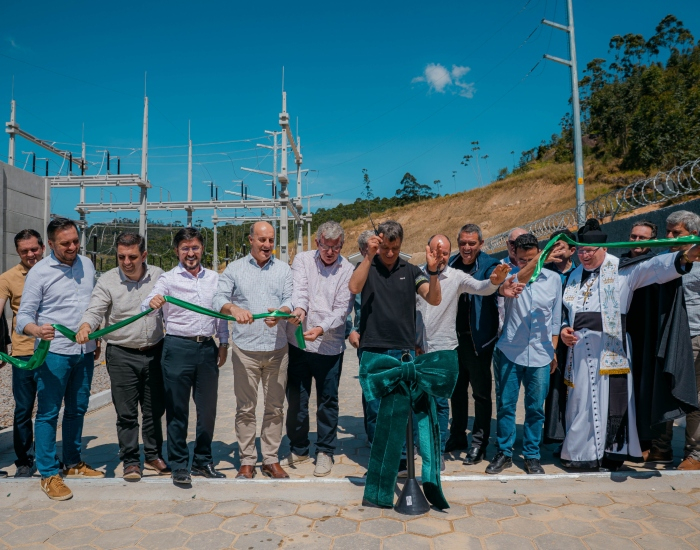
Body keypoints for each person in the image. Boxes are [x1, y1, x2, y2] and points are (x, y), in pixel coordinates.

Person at [559, 218, 700, 471]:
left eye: (590, 251)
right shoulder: (574, 275)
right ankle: (581, 453)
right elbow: (565, 310)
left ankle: (610, 455)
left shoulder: (624, 270)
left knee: (610, 402)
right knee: (580, 403)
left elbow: (657, 267)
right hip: (578, 351)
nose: (585, 256)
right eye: (581, 251)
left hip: (610, 348)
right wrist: (563, 329)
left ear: (604, 249)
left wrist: (688, 255)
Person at [16, 218, 104, 501]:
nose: (73, 247)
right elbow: (23, 318)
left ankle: (73, 462)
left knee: (77, 409)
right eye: (65, 243)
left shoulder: (87, 265)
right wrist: (36, 330)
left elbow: (93, 306)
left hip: (84, 352)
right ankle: (48, 473)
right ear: (51, 244)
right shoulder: (39, 273)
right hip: (53, 354)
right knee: (48, 413)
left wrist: (97, 338)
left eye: (76, 241)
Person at [416, 234, 518, 468]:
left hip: (460, 345)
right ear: (427, 251)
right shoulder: (417, 274)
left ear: (480, 244)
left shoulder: (457, 275)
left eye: (444, 252)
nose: (440, 256)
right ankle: (445, 438)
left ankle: (462, 446)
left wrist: (495, 282)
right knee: (433, 399)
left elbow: (482, 287)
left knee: (450, 401)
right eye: (435, 252)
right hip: (423, 348)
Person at [348, 220, 442, 472]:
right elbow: (354, 287)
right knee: (376, 408)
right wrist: (369, 256)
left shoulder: (411, 271)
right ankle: (380, 457)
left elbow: (433, 298)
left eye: (395, 248)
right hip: (372, 349)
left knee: (401, 408)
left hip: (402, 351)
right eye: (385, 248)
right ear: (378, 243)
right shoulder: (366, 267)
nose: (390, 253)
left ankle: (401, 458)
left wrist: (433, 272)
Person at [77, 232, 169, 481]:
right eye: (121, 257)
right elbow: (95, 310)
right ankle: (130, 460)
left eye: (132, 257)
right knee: (126, 412)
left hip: (155, 351)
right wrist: (86, 326)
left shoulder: (159, 276)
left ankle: (153, 455)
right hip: (121, 355)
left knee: (154, 409)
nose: (126, 262)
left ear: (144, 255)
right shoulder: (108, 281)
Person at [144, 227, 229, 486]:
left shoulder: (214, 278)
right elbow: (149, 303)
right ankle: (180, 464)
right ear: (177, 251)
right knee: (177, 410)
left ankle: (203, 460)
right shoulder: (168, 279)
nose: (190, 253)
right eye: (185, 249)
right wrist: (152, 302)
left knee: (207, 410)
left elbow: (221, 312)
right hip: (177, 348)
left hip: (207, 348)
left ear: (202, 249)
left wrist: (224, 342)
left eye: (194, 248)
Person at [213, 221, 293, 479]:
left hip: (276, 350)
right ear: (250, 240)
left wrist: (281, 313)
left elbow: (291, 299)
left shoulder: (283, 269)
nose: (267, 245)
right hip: (245, 351)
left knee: (275, 408)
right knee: (246, 408)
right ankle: (247, 460)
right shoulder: (234, 269)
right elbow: (218, 299)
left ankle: (270, 459)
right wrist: (233, 309)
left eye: (270, 240)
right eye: (262, 240)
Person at [282, 221, 354, 477]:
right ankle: (299, 448)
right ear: (317, 242)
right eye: (325, 246)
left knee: (327, 401)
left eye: (336, 247)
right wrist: (300, 310)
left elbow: (342, 310)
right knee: (297, 400)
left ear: (342, 245)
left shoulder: (348, 269)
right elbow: (299, 291)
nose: (330, 252)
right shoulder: (302, 260)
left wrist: (321, 328)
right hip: (299, 342)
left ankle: (325, 451)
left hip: (329, 346)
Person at [487, 234, 562, 475]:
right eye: (521, 259)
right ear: (514, 256)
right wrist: (536, 261)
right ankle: (504, 452)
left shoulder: (554, 279)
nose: (525, 263)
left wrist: (553, 350)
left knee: (535, 408)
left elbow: (556, 319)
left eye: (530, 259)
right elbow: (503, 288)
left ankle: (532, 455)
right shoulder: (510, 277)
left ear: (538, 253)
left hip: (541, 353)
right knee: (506, 405)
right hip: (511, 351)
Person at [444, 224, 500, 462]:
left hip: (478, 340)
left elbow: (495, 281)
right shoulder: (450, 265)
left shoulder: (488, 265)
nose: (467, 248)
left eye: (472, 243)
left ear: (481, 244)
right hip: (453, 340)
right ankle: (457, 435)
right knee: (456, 392)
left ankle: (479, 442)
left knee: (481, 394)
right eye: (463, 243)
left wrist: (499, 280)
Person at [649, 211, 700, 469]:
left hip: (694, 335)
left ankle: (694, 454)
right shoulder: (662, 259)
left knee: (693, 394)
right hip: (666, 336)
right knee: (664, 390)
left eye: (676, 232)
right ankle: (660, 449)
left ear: (693, 234)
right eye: (667, 231)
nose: (668, 236)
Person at [0, 229, 46, 477]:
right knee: (23, 409)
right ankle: (24, 460)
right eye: (24, 251)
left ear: (43, 248)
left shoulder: (56, 272)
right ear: (18, 252)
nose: (30, 254)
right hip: (23, 355)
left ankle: (48, 456)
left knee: (49, 408)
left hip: (53, 351)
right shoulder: (7, 278)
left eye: (34, 249)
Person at [542, 229, 577, 447]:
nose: (555, 250)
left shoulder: (581, 273)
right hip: (551, 338)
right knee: (553, 387)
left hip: (575, 338)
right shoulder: (543, 272)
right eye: (552, 245)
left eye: (560, 246)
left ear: (572, 250)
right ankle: (554, 434)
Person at [346, 230, 374, 353]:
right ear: (361, 251)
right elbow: (344, 305)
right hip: (364, 338)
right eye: (368, 250)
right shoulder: (354, 275)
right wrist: (350, 331)